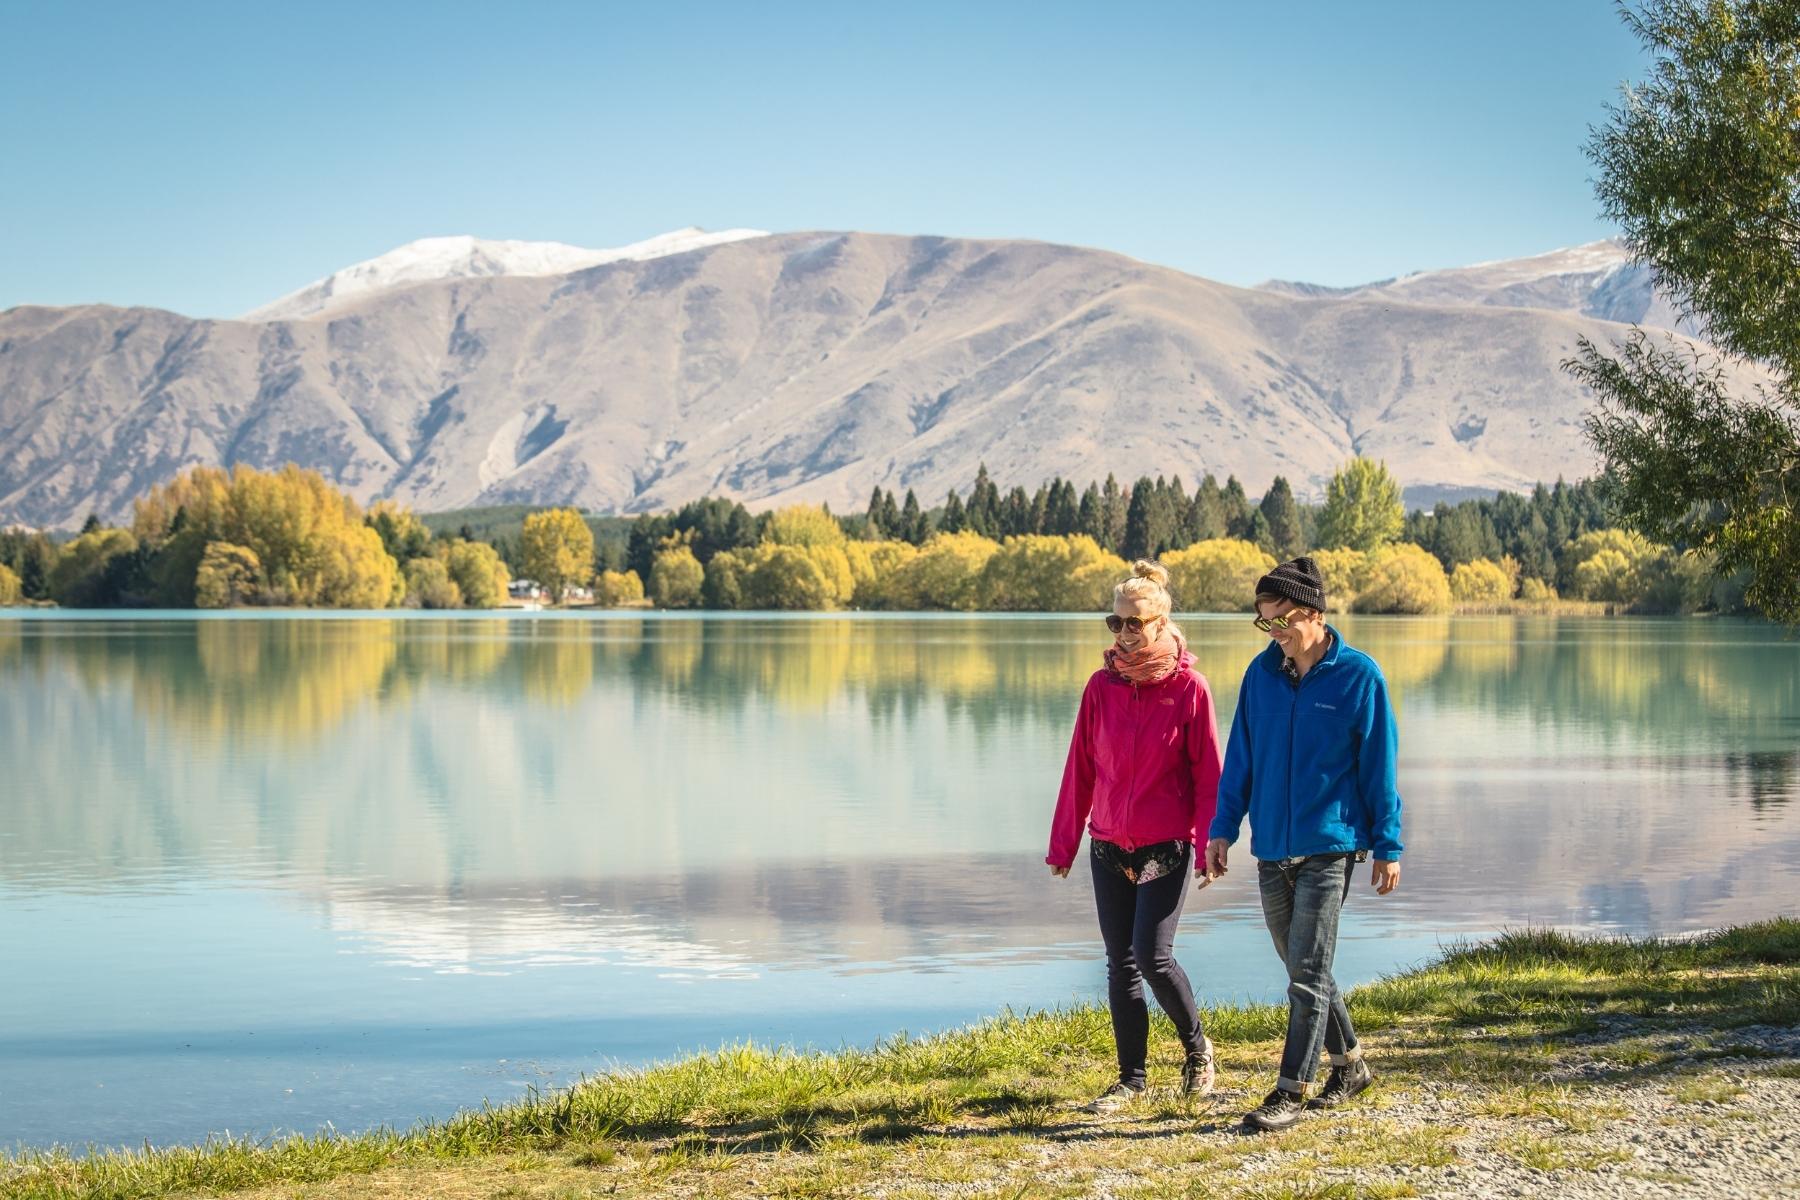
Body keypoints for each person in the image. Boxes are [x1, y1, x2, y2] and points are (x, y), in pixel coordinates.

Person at [1205, 556, 1403, 1133]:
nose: (1274, 632)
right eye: (1264, 621)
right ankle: (1352, 1066)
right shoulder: (1260, 675)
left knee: (1307, 973)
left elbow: (1379, 767)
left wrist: (1388, 844)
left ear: (1314, 612)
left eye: (1282, 619)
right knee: (1303, 967)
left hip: (1329, 846)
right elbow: (1240, 758)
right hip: (1272, 847)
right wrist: (1223, 828)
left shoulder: (1359, 677)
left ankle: (1291, 1089)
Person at [1047, 559, 1224, 1111]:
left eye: (1134, 622)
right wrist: (1063, 843)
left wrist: (1209, 845)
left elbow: (1209, 776)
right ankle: (1131, 1079)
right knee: (1119, 962)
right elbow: (1080, 767)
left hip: (1165, 847)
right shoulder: (1100, 687)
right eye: (1115, 622)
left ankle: (1198, 1050)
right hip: (1107, 845)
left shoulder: (1190, 689)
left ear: (1161, 622)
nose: (1123, 633)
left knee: (1153, 957)